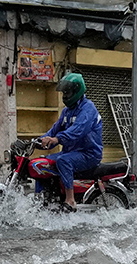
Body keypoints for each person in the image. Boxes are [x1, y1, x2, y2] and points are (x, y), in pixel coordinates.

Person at [37, 72, 103, 210]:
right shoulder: (67, 111)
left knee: (64, 161)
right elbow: (54, 130)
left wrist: (57, 139)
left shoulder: (88, 108)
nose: (65, 96)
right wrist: (39, 141)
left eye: (67, 92)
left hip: (89, 154)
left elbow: (78, 131)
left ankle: (70, 200)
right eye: (64, 92)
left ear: (77, 90)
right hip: (71, 152)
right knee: (41, 165)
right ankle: (42, 201)